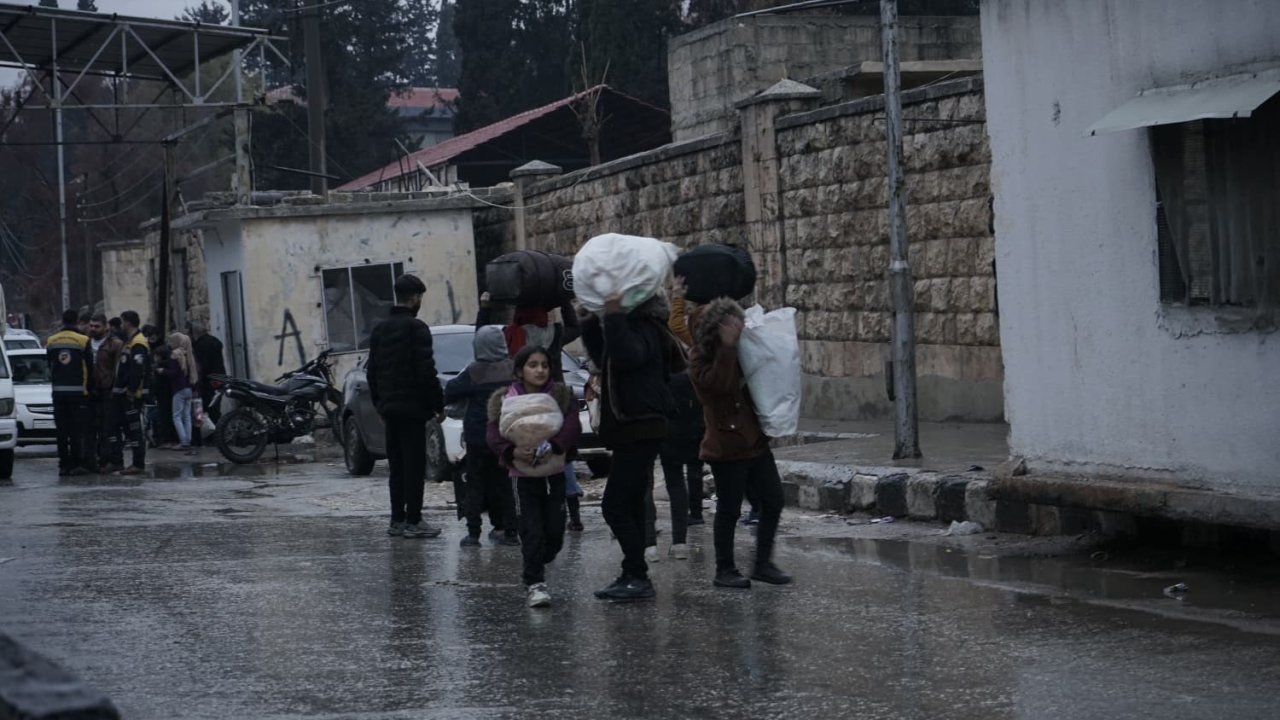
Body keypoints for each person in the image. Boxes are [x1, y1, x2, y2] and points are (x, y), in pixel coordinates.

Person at [581, 292, 684, 602]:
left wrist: (612, 316)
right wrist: (589, 321)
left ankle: (638, 574)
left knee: (614, 505)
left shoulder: (645, 327)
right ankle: (632, 572)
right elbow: (605, 360)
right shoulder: (631, 326)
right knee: (632, 504)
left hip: (641, 426)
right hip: (632, 428)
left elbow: (628, 356)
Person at [688, 298, 792, 589]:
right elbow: (717, 386)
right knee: (729, 510)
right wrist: (727, 347)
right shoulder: (699, 357)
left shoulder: (740, 349)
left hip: (754, 439)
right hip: (726, 444)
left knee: (773, 500)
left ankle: (762, 563)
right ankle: (725, 569)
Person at [478, 292, 586, 530]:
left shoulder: (509, 337)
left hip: (520, 407)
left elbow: (482, 337)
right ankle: (573, 514)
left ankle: (528, 522)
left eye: (543, 365)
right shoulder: (554, 334)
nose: (539, 369)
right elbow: (575, 328)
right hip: (552, 404)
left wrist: (485, 308)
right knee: (559, 459)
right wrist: (564, 300)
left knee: (525, 468)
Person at [486, 345, 581, 608]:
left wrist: (555, 445)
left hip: (554, 473)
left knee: (554, 532)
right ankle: (535, 583)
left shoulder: (560, 396)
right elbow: (493, 434)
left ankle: (540, 557)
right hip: (522, 476)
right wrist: (511, 450)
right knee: (531, 530)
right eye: (533, 365)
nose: (539, 370)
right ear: (520, 370)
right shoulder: (506, 399)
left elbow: (572, 425)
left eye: (544, 365)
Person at [366, 274, 444, 539]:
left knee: (397, 466)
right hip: (413, 409)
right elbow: (426, 371)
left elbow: (372, 372)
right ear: (416, 299)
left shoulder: (379, 330)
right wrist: (438, 404)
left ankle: (396, 519)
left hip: (390, 409)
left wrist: (380, 404)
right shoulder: (417, 329)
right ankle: (414, 520)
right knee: (414, 465)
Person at [444, 325, 519, 547]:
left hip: (478, 438)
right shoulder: (513, 369)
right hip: (506, 436)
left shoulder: (474, 371)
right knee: (506, 484)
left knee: (475, 485)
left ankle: (473, 534)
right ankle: (510, 531)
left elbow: (451, 391)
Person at [47, 309, 92, 477]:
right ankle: (76, 464)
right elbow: (89, 366)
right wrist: (90, 389)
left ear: (62, 320)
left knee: (61, 431)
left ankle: (63, 465)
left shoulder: (51, 340)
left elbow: (50, 365)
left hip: (58, 393)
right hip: (78, 393)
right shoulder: (83, 340)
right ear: (77, 320)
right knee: (76, 430)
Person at [114, 311, 151, 475]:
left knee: (135, 430)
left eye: (122, 322)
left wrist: (131, 391)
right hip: (124, 393)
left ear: (127, 323)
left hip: (133, 395)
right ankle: (135, 463)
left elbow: (137, 370)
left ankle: (138, 464)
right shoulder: (130, 342)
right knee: (129, 429)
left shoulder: (138, 343)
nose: (121, 326)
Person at [87, 314, 124, 473]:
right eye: (92, 326)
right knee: (93, 427)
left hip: (108, 390)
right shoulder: (86, 343)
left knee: (109, 427)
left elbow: (118, 369)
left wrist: (115, 388)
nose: (93, 329)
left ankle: (113, 460)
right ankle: (97, 459)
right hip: (91, 391)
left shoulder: (114, 344)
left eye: (97, 326)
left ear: (105, 327)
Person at [159, 332, 199, 454]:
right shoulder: (189, 354)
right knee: (186, 416)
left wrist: (162, 371)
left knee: (176, 416)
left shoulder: (175, 354)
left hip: (178, 388)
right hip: (189, 388)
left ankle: (183, 442)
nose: (170, 343)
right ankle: (188, 439)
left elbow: (173, 372)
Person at [190, 322, 225, 424]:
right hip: (219, 377)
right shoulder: (215, 341)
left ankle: (211, 431)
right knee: (215, 405)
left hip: (208, 380)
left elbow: (202, 366)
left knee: (207, 406)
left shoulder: (201, 345)